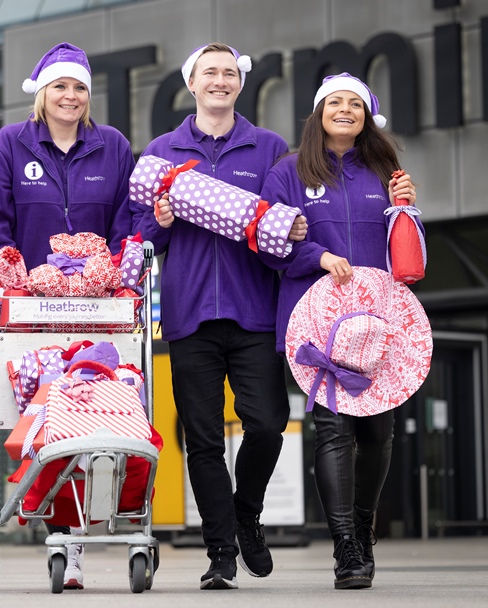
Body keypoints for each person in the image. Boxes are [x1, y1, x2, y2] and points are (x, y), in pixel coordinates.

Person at [130, 43, 307, 590]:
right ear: (192, 83)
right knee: (202, 440)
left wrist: (291, 231)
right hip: (187, 318)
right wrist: (159, 220)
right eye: (210, 72)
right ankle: (221, 553)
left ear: (239, 83)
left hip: (254, 313)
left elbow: (279, 236)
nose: (220, 81)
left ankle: (244, 513)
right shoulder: (163, 152)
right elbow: (140, 239)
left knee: (268, 425)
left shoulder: (270, 148)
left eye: (229, 73)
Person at [0, 42, 135, 590]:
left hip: (99, 311)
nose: (71, 96)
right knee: (41, 422)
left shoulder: (113, 146)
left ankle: (74, 547)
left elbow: (127, 219)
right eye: (61, 87)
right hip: (30, 313)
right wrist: (15, 270)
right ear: (42, 93)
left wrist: (107, 268)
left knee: (94, 425)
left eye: (80, 88)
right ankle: (57, 531)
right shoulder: (10, 144)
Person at [260, 72, 420, 590]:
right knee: (333, 429)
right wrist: (319, 256)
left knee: (378, 431)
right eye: (335, 102)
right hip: (316, 320)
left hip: (380, 324)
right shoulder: (288, 172)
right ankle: (346, 545)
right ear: (318, 112)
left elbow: (406, 253)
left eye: (356, 103)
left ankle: (364, 527)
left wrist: (408, 212)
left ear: (368, 116)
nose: (345, 109)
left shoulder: (384, 170)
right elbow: (267, 242)